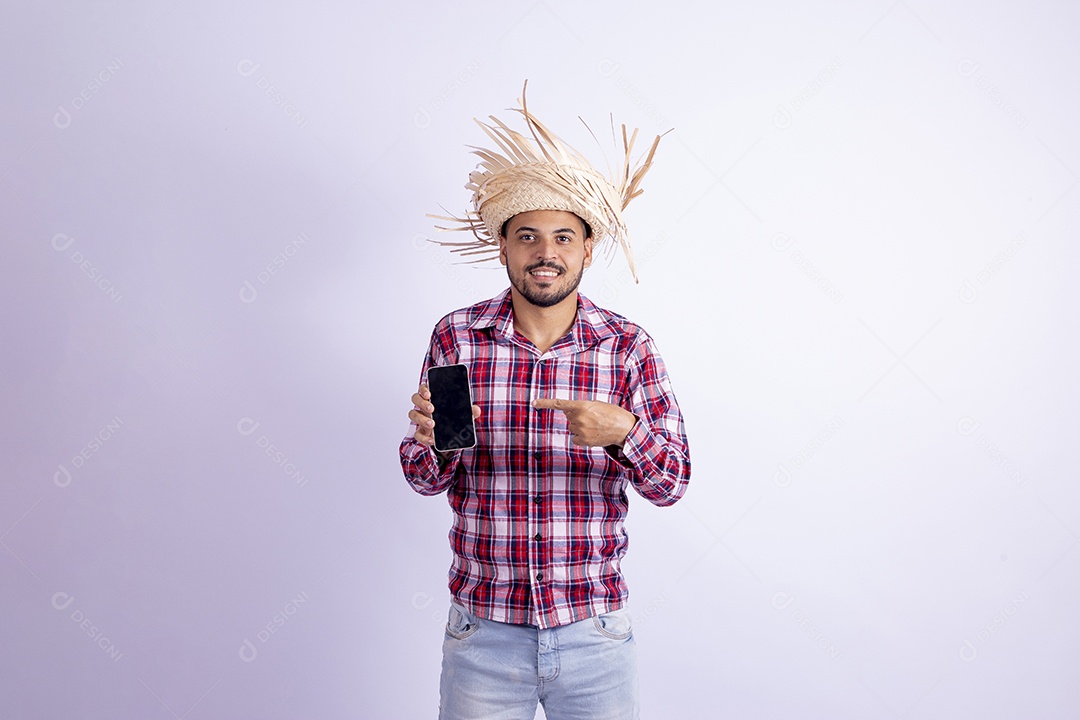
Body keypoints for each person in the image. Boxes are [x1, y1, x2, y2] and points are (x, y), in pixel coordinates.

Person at [399, 84, 690, 720]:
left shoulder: (626, 348)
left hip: (595, 635)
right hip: (484, 634)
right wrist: (435, 439)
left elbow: (673, 483)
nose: (546, 253)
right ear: (503, 247)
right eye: (528, 236)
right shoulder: (458, 337)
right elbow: (425, 478)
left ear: (588, 249)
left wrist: (624, 431)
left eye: (564, 236)